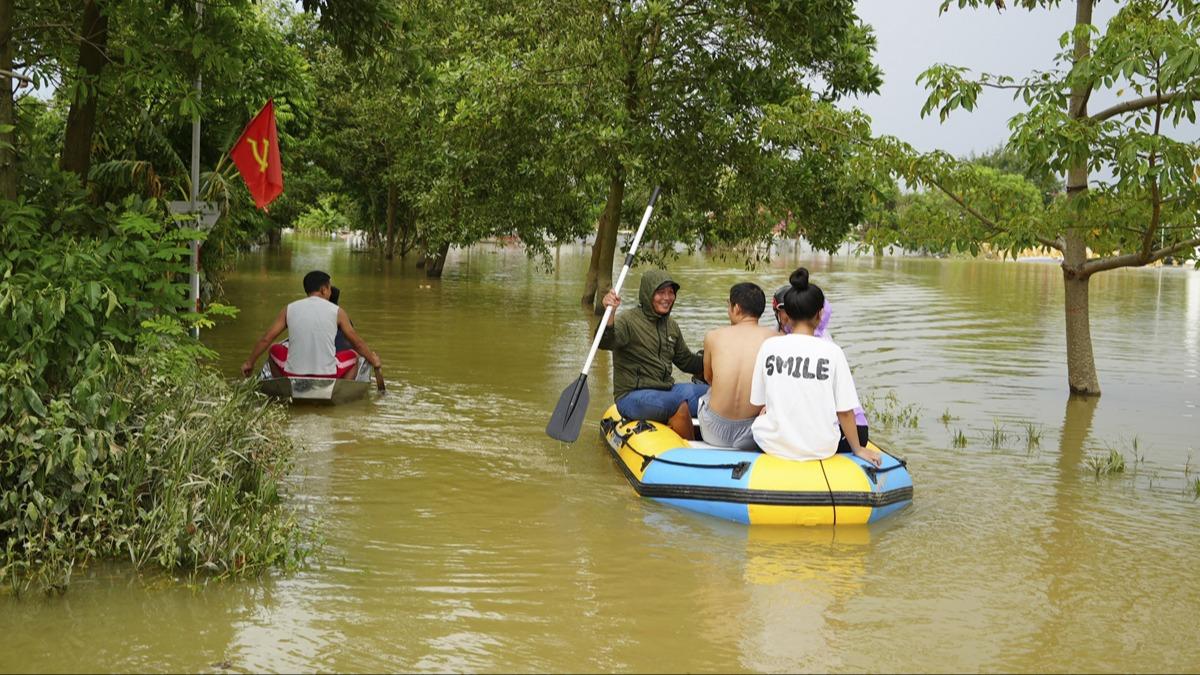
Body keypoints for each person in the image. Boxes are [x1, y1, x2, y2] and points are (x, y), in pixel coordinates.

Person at [750, 268, 882, 466]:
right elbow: (845, 411)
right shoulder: (833, 352)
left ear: (787, 315)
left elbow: (757, 402)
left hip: (772, 444)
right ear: (820, 314)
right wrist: (858, 449)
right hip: (822, 448)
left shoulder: (769, 346)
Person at [599, 270, 706, 440]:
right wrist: (610, 313)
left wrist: (717, 359)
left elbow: (687, 362)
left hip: (666, 389)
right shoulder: (628, 321)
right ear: (648, 294)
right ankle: (691, 453)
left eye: (670, 292)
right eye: (661, 292)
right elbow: (606, 342)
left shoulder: (671, 326)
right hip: (632, 395)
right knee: (677, 404)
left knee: (713, 395)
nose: (667, 298)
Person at [772, 284, 870, 453]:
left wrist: (858, 449)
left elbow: (844, 411)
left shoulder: (772, 346)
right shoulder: (831, 348)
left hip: (841, 430)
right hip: (837, 430)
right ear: (819, 314)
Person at [240, 270, 382, 381]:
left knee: (273, 349)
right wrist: (373, 360)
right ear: (324, 289)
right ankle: (338, 392)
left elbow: (266, 339)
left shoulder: (289, 308)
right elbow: (356, 343)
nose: (330, 292)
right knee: (354, 356)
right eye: (329, 288)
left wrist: (249, 362)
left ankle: (287, 389)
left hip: (293, 373)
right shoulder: (337, 311)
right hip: (328, 375)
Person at [697, 282, 778, 450]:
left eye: (729, 305)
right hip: (753, 433)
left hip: (713, 431)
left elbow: (708, 378)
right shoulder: (776, 339)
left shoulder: (713, 336)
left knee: (707, 394)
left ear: (737, 308)